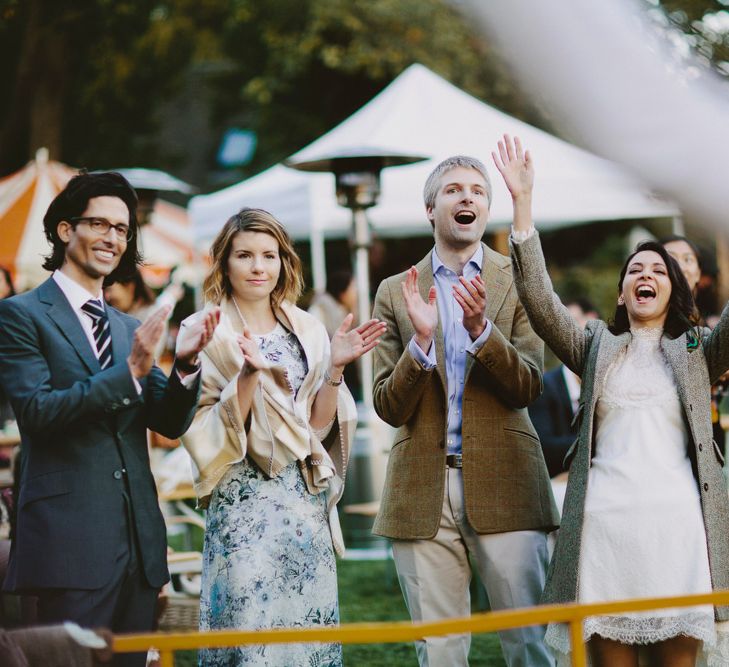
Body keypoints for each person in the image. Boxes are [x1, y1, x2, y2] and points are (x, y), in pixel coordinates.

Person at [496, 133, 729, 666]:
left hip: (678, 528)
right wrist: (523, 206)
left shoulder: (697, 353)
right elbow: (540, 301)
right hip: (604, 526)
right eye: (635, 272)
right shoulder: (596, 347)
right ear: (622, 293)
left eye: (657, 272)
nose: (645, 276)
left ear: (674, 291)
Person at [0, 171, 220, 667]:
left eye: (122, 229)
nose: (113, 238)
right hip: (69, 545)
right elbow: (37, 413)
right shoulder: (19, 315)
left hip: (139, 547)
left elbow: (169, 421)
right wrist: (132, 371)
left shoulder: (128, 328)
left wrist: (184, 364)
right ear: (63, 230)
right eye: (99, 224)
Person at [371, 155, 558, 667]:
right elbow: (388, 404)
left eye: (477, 190)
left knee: (529, 642)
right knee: (439, 649)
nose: (467, 197)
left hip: (508, 483)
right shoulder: (395, 290)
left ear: (486, 208)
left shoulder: (516, 281)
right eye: (454, 190)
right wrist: (422, 343)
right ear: (431, 208)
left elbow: (527, 386)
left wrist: (481, 333)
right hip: (421, 490)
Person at [180, 208, 386, 666]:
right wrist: (248, 377)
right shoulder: (206, 331)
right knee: (249, 635)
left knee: (304, 633)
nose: (258, 267)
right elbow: (198, 428)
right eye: (245, 255)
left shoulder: (308, 328)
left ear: (283, 262)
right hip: (242, 509)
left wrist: (334, 367)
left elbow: (315, 429)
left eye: (269, 255)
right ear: (224, 262)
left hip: (300, 506)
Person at [661, 235, 728, 458]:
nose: (680, 264)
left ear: (699, 273)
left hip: (708, 430)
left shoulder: (708, 326)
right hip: (666, 431)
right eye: (671, 258)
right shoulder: (645, 324)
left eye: (688, 259)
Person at [529, 299, 599, 479]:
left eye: (573, 321)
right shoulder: (544, 386)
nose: (568, 331)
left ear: (592, 319)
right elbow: (543, 447)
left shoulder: (609, 383)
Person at [308, 270, 361, 401]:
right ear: (342, 292)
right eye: (352, 288)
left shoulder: (346, 311)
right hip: (326, 376)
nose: (356, 293)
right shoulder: (319, 311)